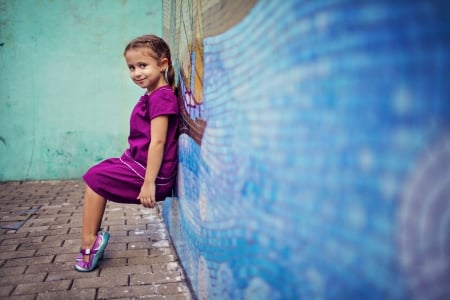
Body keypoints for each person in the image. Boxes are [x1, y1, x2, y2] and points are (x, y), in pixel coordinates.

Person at [75, 34, 179, 272]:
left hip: (149, 172)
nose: (136, 73)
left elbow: (158, 141)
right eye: (131, 67)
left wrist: (149, 183)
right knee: (96, 174)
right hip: (136, 161)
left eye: (143, 66)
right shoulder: (153, 94)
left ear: (163, 64)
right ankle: (89, 239)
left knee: (95, 178)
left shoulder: (162, 97)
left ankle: (89, 243)